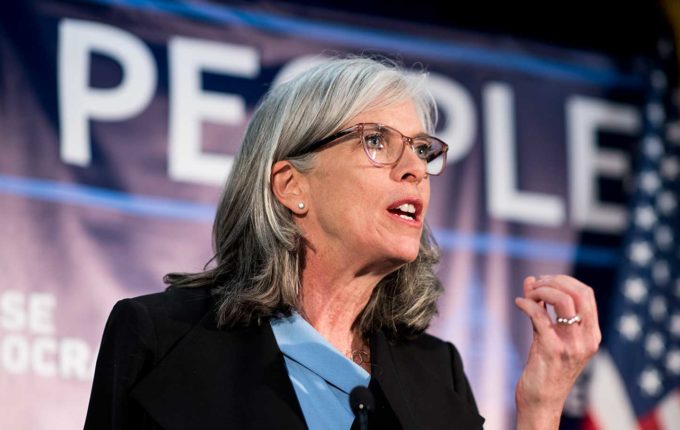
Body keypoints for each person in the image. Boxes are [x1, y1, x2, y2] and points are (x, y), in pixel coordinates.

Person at [84, 56, 601, 429]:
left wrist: (540, 408)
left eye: (422, 150)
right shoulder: (161, 340)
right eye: (376, 141)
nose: (415, 169)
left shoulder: (434, 371)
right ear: (291, 185)